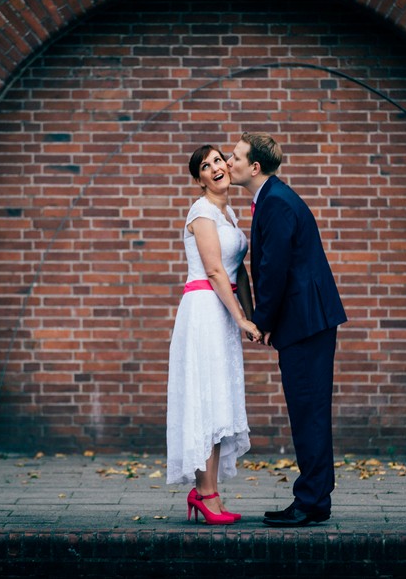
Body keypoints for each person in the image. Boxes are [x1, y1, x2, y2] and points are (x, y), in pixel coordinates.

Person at [226, 132, 347, 527]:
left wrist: (259, 322)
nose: (229, 162)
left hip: (306, 323)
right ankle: (317, 499)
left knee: (308, 411)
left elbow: (273, 271)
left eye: (235, 157)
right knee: (310, 411)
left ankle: (310, 501)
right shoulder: (274, 198)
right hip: (307, 321)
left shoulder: (275, 204)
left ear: (254, 166)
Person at [166, 144, 261, 525]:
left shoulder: (228, 213)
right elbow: (216, 272)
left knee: (218, 401)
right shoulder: (201, 212)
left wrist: (255, 319)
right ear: (199, 179)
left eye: (219, 160)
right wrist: (241, 319)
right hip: (205, 312)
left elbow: (239, 273)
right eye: (206, 167)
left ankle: (208, 493)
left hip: (223, 312)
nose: (216, 168)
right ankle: (205, 494)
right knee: (205, 400)